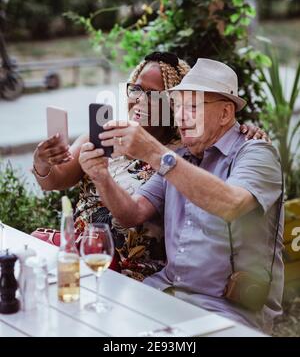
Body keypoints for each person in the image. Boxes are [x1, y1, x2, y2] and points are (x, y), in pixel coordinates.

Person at [81, 58, 283, 333]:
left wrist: (153, 152)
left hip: (228, 309)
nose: (180, 117)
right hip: (165, 291)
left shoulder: (256, 153)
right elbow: (131, 214)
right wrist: (101, 175)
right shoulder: (180, 157)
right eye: (177, 107)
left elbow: (231, 203)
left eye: (192, 107)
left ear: (225, 114)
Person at [32, 53, 269, 281]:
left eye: (153, 94)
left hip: (133, 269)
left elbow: (220, 175)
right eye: (136, 89)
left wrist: (238, 130)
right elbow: (56, 180)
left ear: (170, 103)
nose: (140, 99)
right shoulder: (104, 134)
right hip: (83, 252)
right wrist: (42, 161)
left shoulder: (184, 152)